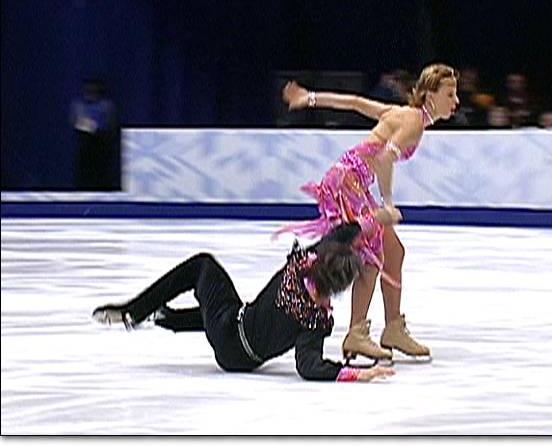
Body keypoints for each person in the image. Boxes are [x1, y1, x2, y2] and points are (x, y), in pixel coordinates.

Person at [274, 63, 459, 362]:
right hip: (347, 183)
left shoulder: (404, 114)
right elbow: (385, 159)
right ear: (429, 95)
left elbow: (355, 102)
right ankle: (356, 333)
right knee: (373, 253)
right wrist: (387, 204)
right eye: (449, 94)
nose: (456, 101)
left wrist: (308, 98)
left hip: (349, 180)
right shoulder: (413, 122)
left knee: (393, 252)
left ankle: (393, 328)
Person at [92, 222, 395, 382]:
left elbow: (333, 239)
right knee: (227, 310)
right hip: (241, 359)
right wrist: (356, 374)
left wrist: (365, 223)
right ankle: (165, 318)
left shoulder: (297, 269)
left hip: (229, 329)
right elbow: (309, 366)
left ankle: (135, 312)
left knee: (202, 266)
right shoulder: (317, 320)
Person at [70, 78, 121, 190]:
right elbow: (76, 122)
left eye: (93, 90)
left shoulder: (107, 106)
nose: (90, 94)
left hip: (102, 149)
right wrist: (91, 126)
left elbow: (107, 125)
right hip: (84, 149)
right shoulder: (78, 105)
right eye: (88, 90)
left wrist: (93, 127)